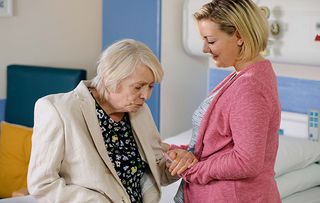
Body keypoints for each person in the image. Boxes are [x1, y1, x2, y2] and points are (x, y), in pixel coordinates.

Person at [27, 39, 196, 203]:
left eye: (150, 86)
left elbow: (157, 172)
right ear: (110, 78)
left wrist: (177, 164)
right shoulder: (58, 110)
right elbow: (42, 184)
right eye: (138, 87)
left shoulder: (140, 111)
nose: (146, 95)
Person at [164, 0, 282, 202]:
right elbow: (217, 144)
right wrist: (182, 153)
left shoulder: (250, 88)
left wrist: (194, 170)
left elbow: (247, 161)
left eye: (210, 41)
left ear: (238, 36)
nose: (204, 49)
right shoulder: (241, 77)